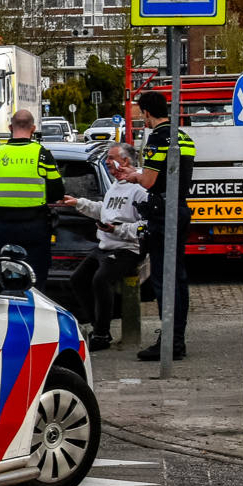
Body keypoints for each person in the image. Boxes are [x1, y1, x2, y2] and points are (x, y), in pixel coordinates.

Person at [60, 143, 150, 351]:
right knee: (77, 279)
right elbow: (105, 211)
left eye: (111, 158)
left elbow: (145, 226)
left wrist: (116, 230)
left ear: (125, 161)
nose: (108, 162)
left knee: (101, 280)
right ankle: (97, 326)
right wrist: (78, 203)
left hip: (128, 248)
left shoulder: (139, 188)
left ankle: (101, 333)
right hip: (106, 245)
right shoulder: (116, 185)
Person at [134, 90, 195, 361]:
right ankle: (177, 339)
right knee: (179, 278)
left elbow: (148, 182)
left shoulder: (158, 139)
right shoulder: (184, 137)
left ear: (147, 112)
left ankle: (169, 342)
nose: (141, 118)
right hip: (180, 209)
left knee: (162, 279)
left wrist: (133, 176)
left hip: (164, 214)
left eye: (141, 113)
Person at [0, 109, 64, 276]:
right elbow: (57, 192)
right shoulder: (42, 155)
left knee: (4, 272)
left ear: (10, 127)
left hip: (2, 225)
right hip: (35, 225)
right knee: (35, 273)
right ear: (33, 129)